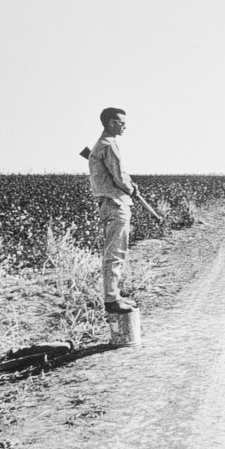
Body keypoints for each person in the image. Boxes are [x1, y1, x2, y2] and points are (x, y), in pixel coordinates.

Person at [87, 107, 140, 314]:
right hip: (115, 203)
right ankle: (112, 299)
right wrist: (131, 188)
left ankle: (115, 295)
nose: (125, 127)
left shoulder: (103, 144)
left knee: (116, 252)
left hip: (110, 203)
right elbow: (119, 176)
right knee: (115, 253)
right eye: (121, 123)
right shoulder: (109, 145)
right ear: (111, 123)